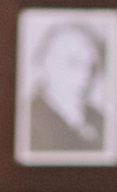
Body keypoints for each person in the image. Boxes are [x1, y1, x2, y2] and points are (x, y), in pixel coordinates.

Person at [20, 21, 110, 161]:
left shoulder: (100, 119)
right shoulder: (26, 119)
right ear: (45, 64)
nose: (85, 75)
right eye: (73, 63)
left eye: (91, 65)